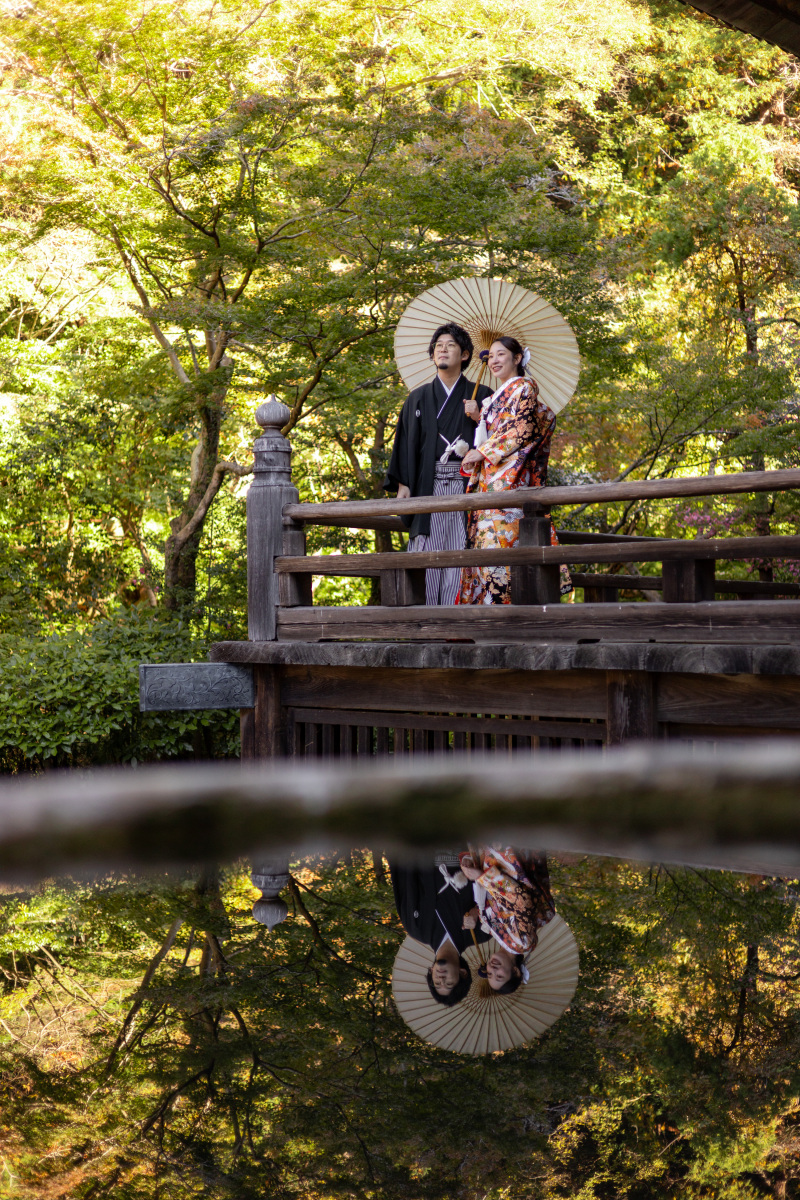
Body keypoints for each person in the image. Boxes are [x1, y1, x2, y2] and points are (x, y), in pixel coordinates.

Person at [384, 323, 493, 605]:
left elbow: (500, 439)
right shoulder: (418, 398)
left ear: (466, 355)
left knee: (463, 552)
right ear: (433, 354)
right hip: (427, 486)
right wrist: (403, 484)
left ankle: (458, 624)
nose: (442, 350)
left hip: (466, 486)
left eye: (451, 346)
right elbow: (405, 444)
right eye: (438, 346)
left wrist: (479, 417)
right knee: (427, 556)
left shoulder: (482, 395)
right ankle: (428, 623)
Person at [458, 335, 570, 605]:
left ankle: (507, 617)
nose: (493, 360)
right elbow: (502, 430)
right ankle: (492, 618)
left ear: (517, 358)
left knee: (502, 550)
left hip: (507, 483)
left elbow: (523, 430)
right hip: (491, 481)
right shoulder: (499, 395)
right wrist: (479, 418)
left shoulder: (525, 387)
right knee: (487, 552)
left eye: (501, 355)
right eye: (491, 356)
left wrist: (483, 451)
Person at [390, 855, 490, 1006]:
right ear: (462, 973)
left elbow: (405, 878)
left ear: (431, 972)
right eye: (449, 983)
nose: (441, 979)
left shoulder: (416, 929)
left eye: (437, 983)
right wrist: (480, 910)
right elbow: (499, 891)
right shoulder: (482, 932)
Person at [460, 847, 556, 994]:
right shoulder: (523, 943)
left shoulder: (498, 936)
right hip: (508, 859)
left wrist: (475, 914)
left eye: (490, 974)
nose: (492, 969)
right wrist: (484, 877)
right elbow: (523, 903)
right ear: (516, 971)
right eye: (499, 976)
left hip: (489, 860)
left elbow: (490, 899)